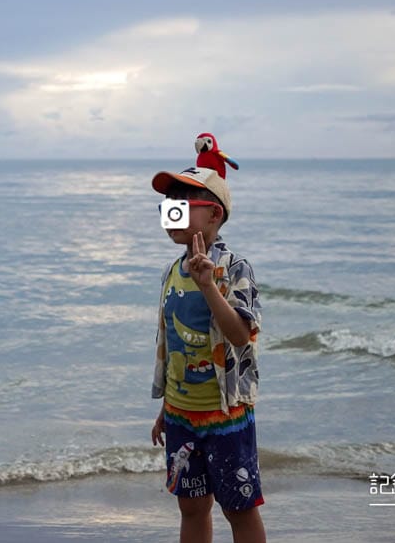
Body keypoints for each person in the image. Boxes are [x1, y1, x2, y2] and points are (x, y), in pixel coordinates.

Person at [149, 166, 266, 543]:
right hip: (183, 415)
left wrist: (209, 285)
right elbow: (175, 348)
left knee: (239, 508)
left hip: (225, 415)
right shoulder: (171, 271)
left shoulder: (234, 269)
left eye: (181, 206)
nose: (171, 214)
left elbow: (239, 336)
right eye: (168, 206)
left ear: (214, 214)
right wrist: (167, 408)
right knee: (192, 507)